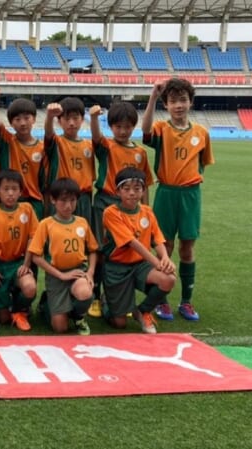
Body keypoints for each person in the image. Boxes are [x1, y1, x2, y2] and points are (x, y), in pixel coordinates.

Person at [142, 77, 214, 322]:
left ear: (191, 102)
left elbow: (202, 164)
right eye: (173, 101)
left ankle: (186, 302)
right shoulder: (162, 129)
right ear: (167, 105)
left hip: (191, 195)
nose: (179, 105)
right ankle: (162, 301)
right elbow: (145, 130)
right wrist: (153, 95)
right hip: (167, 193)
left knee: (187, 247)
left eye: (183, 100)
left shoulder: (202, 134)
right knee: (165, 246)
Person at [88, 100, 154, 319]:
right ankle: (96, 296)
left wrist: (145, 209)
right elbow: (96, 137)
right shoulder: (107, 146)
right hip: (105, 202)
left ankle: (116, 296)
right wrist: (95, 118)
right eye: (118, 127)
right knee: (99, 249)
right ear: (111, 127)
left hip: (131, 208)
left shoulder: (140, 153)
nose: (123, 131)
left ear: (133, 126)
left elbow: (144, 185)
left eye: (127, 127)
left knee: (124, 251)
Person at [101, 167, 176, 334]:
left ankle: (142, 311)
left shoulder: (147, 212)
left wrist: (165, 258)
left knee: (168, 279)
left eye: (137, 189)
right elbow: (132, 243)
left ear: (143, 191)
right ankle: (106, 302)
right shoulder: (111, 213)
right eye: (126, 189)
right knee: (119, 323)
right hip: (116, 268)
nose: (132, 193)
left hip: (140, 265)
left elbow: (157, 239)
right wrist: (157, 262)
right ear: (117, 191)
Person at [28, 178, 98, 335]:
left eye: (72, 200)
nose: (68, 206)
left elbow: (93, 250)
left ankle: (78, 317)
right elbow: (36, 257)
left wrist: (90, 273)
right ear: (53, 200)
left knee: (85, 292)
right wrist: (61, 275)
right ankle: (46, 304)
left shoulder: (82, 222)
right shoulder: (46, 224)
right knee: (60, 328)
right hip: (56, 275)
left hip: (78, 271)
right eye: (63, 201)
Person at [0, 169, 37, 330]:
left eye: (14, 189)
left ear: (20, 192)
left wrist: (26, 264)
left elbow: (33, 238)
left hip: (18, 262)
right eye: (6, 189)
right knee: (2, 319)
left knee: (30, 287)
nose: (10, 193)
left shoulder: (27, 209)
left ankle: (20, 311)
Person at [0, 87, 47, 220]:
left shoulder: (42, 148)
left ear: (34, 119)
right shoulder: (7, 141)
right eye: (17, 119)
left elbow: (44, 182)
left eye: (26, 118)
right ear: (11, 123)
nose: (23, 123)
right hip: (8, 201)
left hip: (33, 202)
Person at [44, 97, 95, 223]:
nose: (71, 123)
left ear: (82, 119)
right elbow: (49, 133)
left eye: (75, 118)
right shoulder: (57, 142)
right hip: (62, 197)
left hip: (83, 198)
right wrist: (49, 116)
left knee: (83, 235)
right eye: (66, 119)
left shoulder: (89, 145)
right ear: (59, 121)